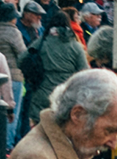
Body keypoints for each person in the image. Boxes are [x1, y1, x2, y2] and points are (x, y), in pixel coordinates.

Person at [22, 12, 87, 142]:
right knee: (62, 133)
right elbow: (85, 71)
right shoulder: (75, 46)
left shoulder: (41, 42)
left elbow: (22, 59)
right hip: (65, 95)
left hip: (41, 92)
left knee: (40, 133)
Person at [0, 6, 28, 145]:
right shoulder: (14, 32)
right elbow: (23, 54)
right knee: (11, 115)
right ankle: (7, 145)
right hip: (13, 77)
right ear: (12, 18)